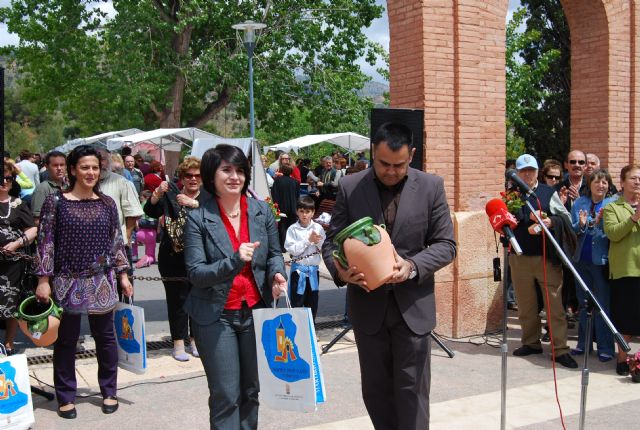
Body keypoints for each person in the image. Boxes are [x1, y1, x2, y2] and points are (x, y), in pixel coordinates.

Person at [321, 122, 457, 429]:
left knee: (412, 394)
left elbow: (446, 245)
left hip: (413, 309)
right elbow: (331, 242)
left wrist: (411, 267)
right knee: (376, 393)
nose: (391, 171)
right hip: (368, 309)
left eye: (399, 164)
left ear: (411, 155)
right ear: (372, 152)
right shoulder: (350, 186)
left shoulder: (431, 186)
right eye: (384, 164)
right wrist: (341, 270)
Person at [183, 144, 288, 429]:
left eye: (240, 170)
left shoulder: (261, 211)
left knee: (251, 392)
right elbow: (195, 272)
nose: (235, 177)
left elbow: (275, 254)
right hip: (215, 316)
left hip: (255, 312)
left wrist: (277, 276)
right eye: (226, 170)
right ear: (211, 175)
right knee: (226, 395)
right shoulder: (198, 218)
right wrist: (233, 261)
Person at [35, 145, 132, 419]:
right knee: (66, 341)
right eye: (85, 167)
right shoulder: (56, 202)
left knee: (106, 339)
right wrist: (44, 279)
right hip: (67, 281)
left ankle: (109, 390)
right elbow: (46, 243)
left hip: (103, 280)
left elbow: (116, 242)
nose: (91, 172)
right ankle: (65, 396)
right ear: (73, 170)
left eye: (95, 167)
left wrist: (123, 275)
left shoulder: (107, 204)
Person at [508, 154, 578, 369]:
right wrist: (521, 220)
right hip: (519, 258)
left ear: (538, 171)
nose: (527, 174)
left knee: (554, 306)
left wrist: (550, 220)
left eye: (531, 170)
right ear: (517, 173)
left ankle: (560, 349)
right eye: (523, 170)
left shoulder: (549, 192)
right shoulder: (510, 195)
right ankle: (530, 343)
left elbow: (565, 218)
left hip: (546, 258)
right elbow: (506, 222)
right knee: (526, 305)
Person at [144, 156, 203, 361]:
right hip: (172, 256)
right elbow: (150, 211)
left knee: (198, 299)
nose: (193, 179)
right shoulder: (172, 193)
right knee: (176, 300)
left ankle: (196, 340)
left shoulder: (209, 197)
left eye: (197, 175)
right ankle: (178, 342)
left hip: (199, 257)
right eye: (189, 175)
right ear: (182, 177)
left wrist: (193, 203)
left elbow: (215, 216)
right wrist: (157, 193)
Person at [570, 169, 616, 362]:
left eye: (604, 182)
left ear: (609, 185)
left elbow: (613, 231)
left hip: (602, 261)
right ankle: (583, 344)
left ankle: (606, 347)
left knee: (602, 306)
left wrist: (596, 224)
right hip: (582, 260)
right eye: (596, 182)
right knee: (584, 305)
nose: (600, 185)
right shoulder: (580, 202)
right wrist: (581, 225)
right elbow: (573, 228)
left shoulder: (612, 204)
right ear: (589, 184)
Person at [603, 164, 640, 375]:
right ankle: (622, 358)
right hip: (625, 269)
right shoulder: (612, 208)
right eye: (633, 178)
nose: (637, 182)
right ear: (623, 182)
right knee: (625, 318)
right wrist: (634, 216)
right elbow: (613, 234)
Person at [0, 159, 38, 355]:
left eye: (8, 177)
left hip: (14, 263)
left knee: (11, 302)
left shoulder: (19, 204)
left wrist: (16, 243)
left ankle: (9, 343)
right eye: (2, 177)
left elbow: (32, 229)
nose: (4, 181)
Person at [284, 195, 326, 322]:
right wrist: (308, 241)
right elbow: (292, 250)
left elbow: (323, 247)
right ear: (297, 211)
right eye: (301, 211)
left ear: (313, 212)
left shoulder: (317, 228)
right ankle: (296, 331)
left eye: (308, 211)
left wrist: (318, 242)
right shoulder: (292, 229)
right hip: (298, 272)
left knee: (312, 303)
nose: (304, 215)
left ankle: (311, 330)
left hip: (313, 271)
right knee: (297, 302)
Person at [31, 151, 67, 223]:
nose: (59, 168)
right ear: (47, 167)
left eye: (62, 165)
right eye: (55, 165)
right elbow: (37, 219)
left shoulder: (68, 186)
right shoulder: (42, 189)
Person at [271, 164, 299, 248]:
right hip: (292, 207)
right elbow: (297, 195)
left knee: (282, 226)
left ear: (282, 170)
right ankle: (291, 245)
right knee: (292, 226)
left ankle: (283, 246)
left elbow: (274, 193)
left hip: (281, 206)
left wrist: (275, 205)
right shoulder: (295, 182)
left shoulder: (277, 180)